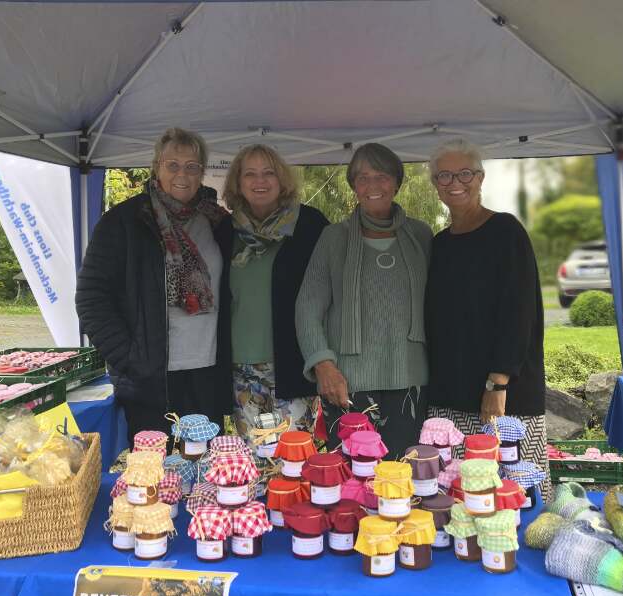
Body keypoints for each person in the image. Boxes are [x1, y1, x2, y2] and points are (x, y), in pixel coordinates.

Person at [76, 127, 232, 442]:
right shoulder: (124, 221)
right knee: (154, 476)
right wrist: (130, 358)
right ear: (156, 167)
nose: (182, 174)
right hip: (151, 379)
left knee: (204, 469)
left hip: (207, 374)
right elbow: (92, 298)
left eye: (192, 166)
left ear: (202, 172)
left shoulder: (219, 222)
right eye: (172, 165)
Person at [423, 138, 550, 499]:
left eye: (464, 173)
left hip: (502, 395)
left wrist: (498, 384)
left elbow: (519, 312)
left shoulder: (505, 231)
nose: (454, 182)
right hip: (450, 394)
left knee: (512, 495)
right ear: (435, 185)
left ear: (480, 178)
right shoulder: (439, 243)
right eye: (444, 176)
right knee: (459, 496)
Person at [296, 143, 432, 460]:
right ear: (354, 186)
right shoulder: (334, 238)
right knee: (349, 482)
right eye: (362, 177)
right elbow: (307, 308)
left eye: (382, 176)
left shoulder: (421, 236)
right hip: (346, 383)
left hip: (410, 380)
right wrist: (323, 366)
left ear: (397, 183)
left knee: (403, 483)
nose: (372, 186)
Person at [221, 144, 328, 442]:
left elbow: (331, 291)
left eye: (269, 173)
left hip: (293, 365)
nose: (260, 181)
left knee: (292, 458)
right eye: (250, 174)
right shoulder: (225, 230)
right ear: (238, 184)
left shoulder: (309, 225)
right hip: (240, 369)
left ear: (282, 180)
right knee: (253, 459)